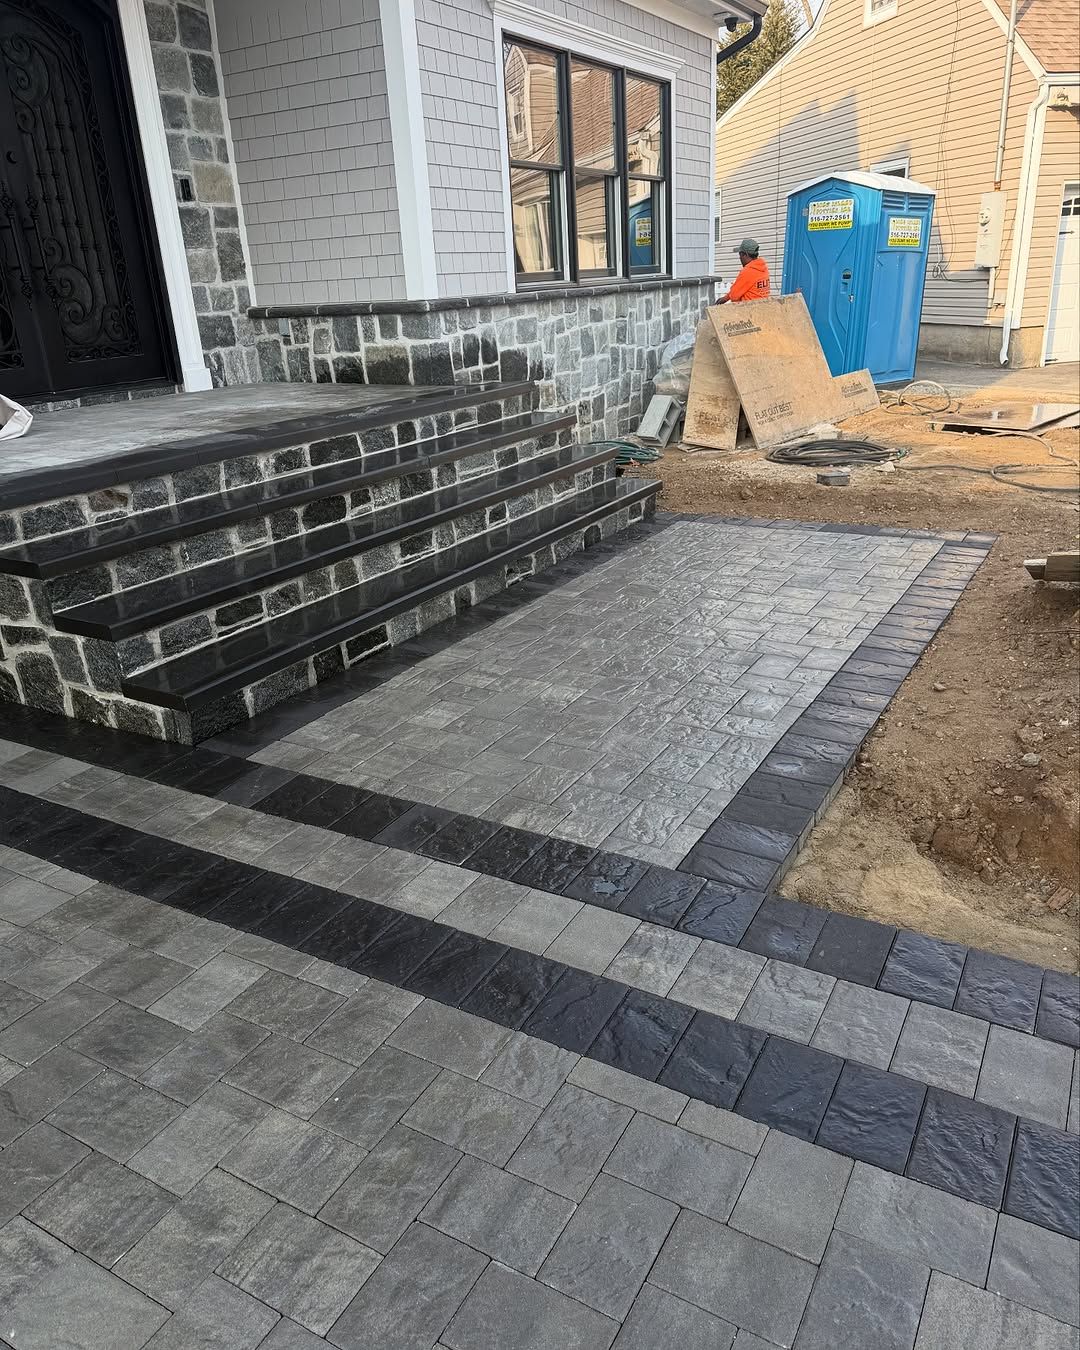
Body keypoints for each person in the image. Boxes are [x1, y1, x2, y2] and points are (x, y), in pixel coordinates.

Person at [716, 238, 770, 304]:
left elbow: (734, 296)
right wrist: (725, 298)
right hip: (763, 306)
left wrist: (723, 300)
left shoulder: (748, 271)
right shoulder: (763, 268)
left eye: (740, 255)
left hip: (749, 308)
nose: (740, 258)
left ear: (745, 255)